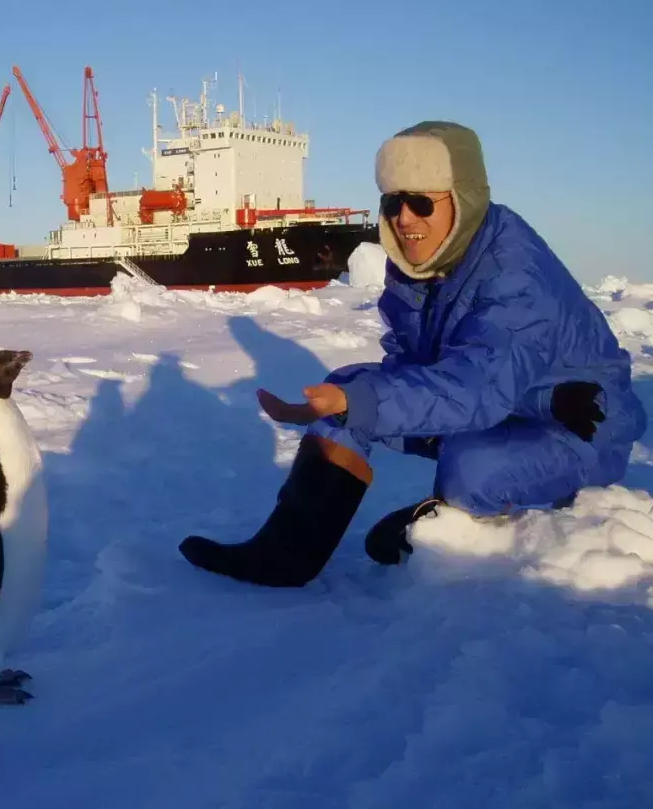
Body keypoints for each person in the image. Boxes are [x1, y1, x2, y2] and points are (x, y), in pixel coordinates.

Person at [179, 120, 647, 587]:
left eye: (422, 201)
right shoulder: (423, 262)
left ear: (462, 199)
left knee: (471, 469)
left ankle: (444, 519)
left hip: (579, 424)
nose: (405, 218)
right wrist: (349, 405)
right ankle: (285, 553)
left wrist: (363, 404)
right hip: (502, 407)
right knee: (350, 391)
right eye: (393, 202)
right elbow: (418, 367)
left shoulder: (516, 277)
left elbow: (477, 389)